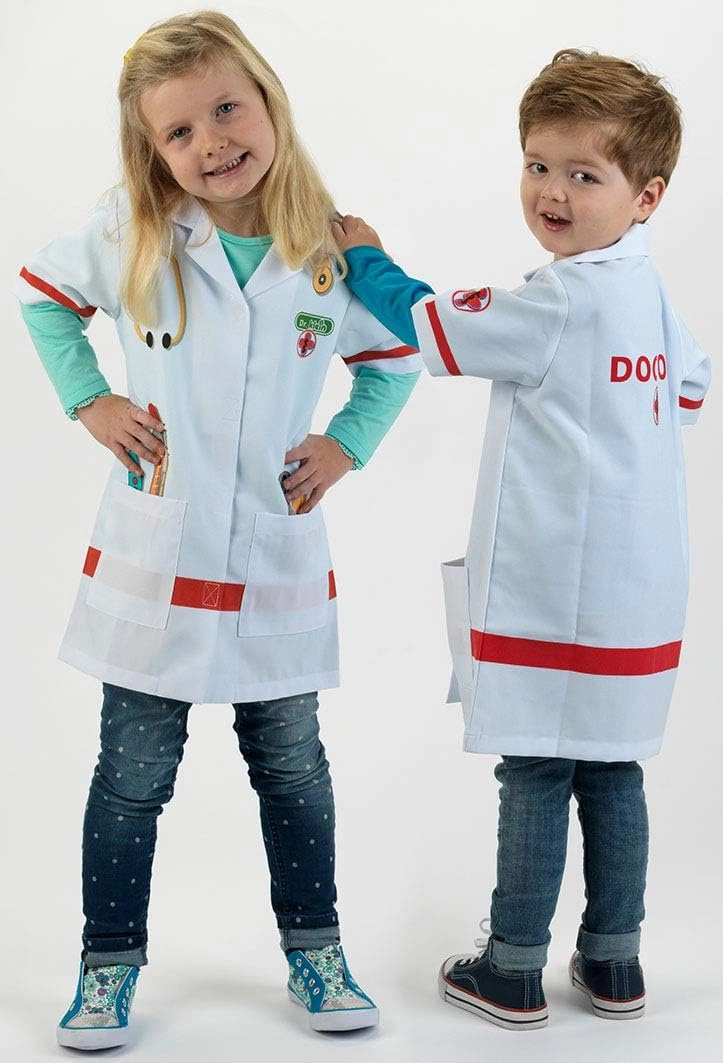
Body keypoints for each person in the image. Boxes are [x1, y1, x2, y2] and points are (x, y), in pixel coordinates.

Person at [17, 10, 421, 1050]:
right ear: (152, 150)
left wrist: (344, 445)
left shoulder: (330, 251)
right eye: (180, 131)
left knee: (292, 767)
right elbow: (45, 301)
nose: (213, 142)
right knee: (131, 777)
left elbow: (395, 358)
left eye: (228, 108)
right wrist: (90, 400)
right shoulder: (130, 228)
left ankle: (316, 950)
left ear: (270, 100)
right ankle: (107, 965)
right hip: (159, 558)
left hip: (271, 559)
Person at [334, 48, 710, 1031]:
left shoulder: (559, 299)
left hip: (556, 590)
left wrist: (365, 257)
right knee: (612, 767)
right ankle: (615, 961)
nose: (552, 191)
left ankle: (511, 968)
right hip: (639, 594)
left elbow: (432, 325)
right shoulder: (647, 293)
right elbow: (690, 389)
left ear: (646, 196)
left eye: (584, 174)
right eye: (538, 165)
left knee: (537, 764)